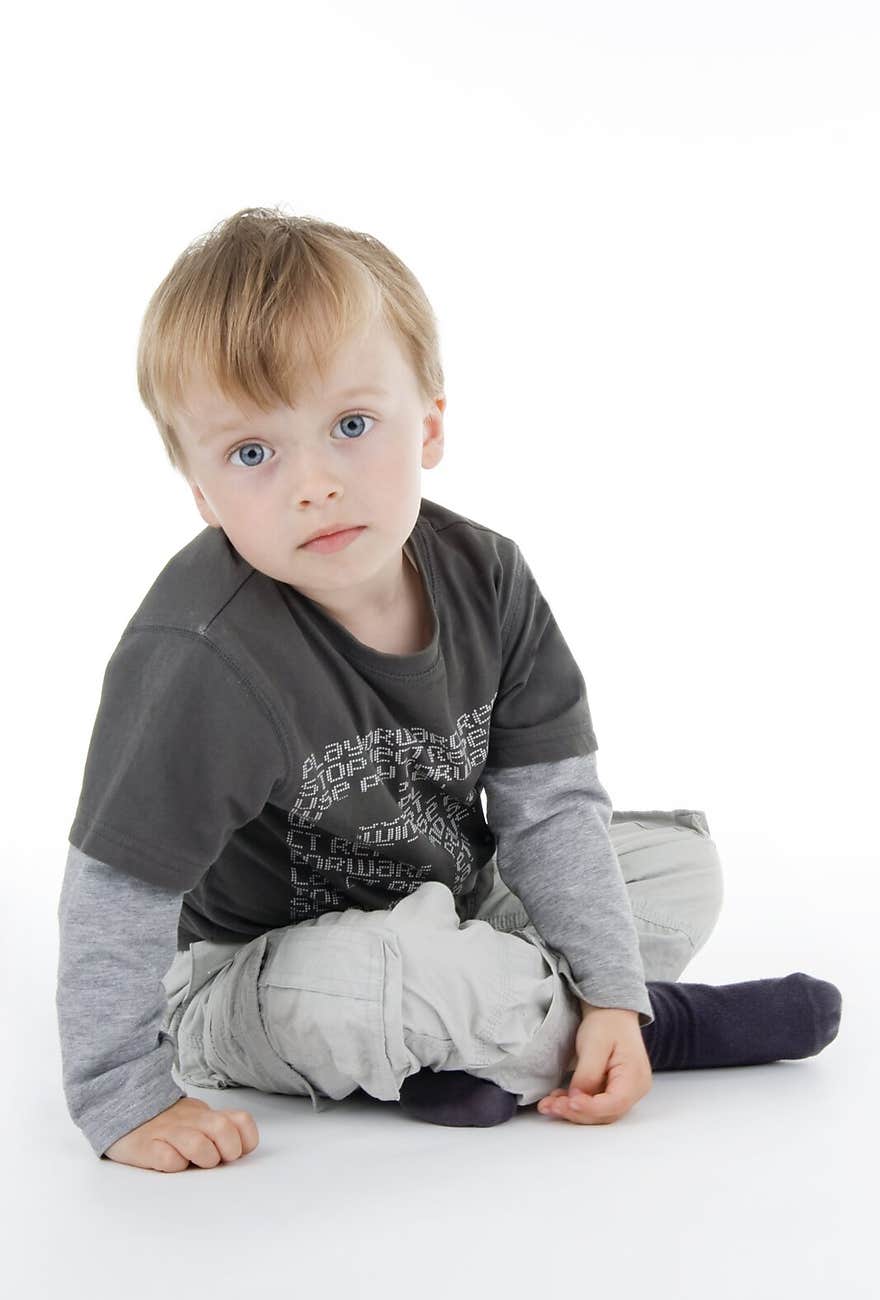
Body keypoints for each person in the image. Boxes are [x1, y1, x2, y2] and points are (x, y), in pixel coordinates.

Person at [56, 207, 842, 1173]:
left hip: (457, 902)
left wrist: (607, 985)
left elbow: (549, 809)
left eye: (351, 425)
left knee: (676, 862)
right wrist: (121, 1093)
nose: (314, 483)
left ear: (428, 425)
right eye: (253, 453)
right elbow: (118, 892)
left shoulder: (487, 578)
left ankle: (491, 1043)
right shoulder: (202, 652)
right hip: (255, 968)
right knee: (394, 975)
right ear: (202, 494)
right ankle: (656, 1027)